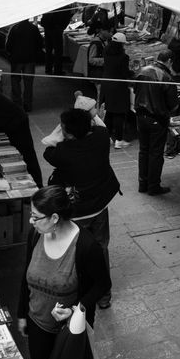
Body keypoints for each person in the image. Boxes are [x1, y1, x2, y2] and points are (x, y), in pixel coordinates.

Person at [17, 185, 110, 359]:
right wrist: (22, 313)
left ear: (54, 217)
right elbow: (26, 273)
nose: (31, 221)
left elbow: (102, 284)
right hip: (38, 322)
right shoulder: (36, 234)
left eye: (36, 216)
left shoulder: (85, 245)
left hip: (69, 329)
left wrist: (76, 308)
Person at [42, 108, 120, 308]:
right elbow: (99, 125)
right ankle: (103, 295)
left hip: (76, 211)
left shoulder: (61, 153)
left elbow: (48, 147)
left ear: (67, 132)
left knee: (75, 252)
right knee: (101, 247)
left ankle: (78, 295)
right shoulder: (102, 137)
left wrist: (62, 132)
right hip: (100, 204)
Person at [134, 49, 179, 196]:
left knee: (144, 150)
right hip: (157, 119)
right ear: (170, 61)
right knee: (155, 153)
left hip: (141, 116)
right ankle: (153, 186)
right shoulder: (165, 76)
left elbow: (136, 90)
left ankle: (143, 184)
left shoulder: (143, 70)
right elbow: (173, 104)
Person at [5, 18, 44, 112]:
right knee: (28, 83)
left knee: (15, 81)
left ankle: (17, 104)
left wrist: (10, 53)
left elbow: (8, 45)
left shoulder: (14, 28)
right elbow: (40, 42)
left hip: (16, 59)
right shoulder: (33, 28)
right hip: (30, 59)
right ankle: (27, 104)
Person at [100, 32, 132, 149]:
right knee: (119, 113)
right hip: (118, 87)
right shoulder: (124, 57)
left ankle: (108, 138)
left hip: (106, 84)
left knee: (109, 111)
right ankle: (119, 139)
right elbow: (124, 73)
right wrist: (133, 72)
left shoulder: (106, 52)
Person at [40, 6, 74, 77]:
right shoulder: (66, 8)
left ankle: (48, 69)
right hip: (56, 30)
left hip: (47, 29)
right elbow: (66, 20)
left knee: (48, 50)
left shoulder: (53, 4)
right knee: (58, 51)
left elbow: (43, 19)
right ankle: (57, 70)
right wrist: (61, 28)